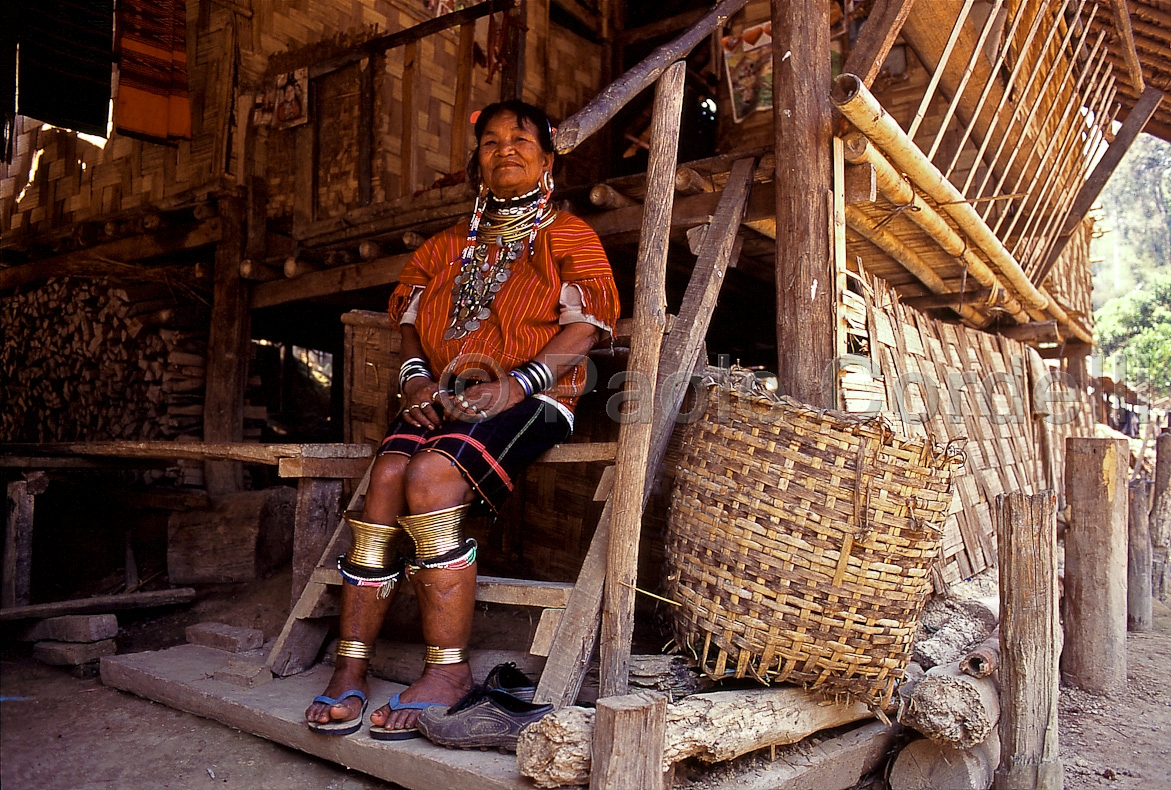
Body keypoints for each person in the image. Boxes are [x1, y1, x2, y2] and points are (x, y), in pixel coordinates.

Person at [305, 100, 620, 739]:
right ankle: (351, 665)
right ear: (477, 159)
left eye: (520, 139)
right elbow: (412, 331)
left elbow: (585, 326)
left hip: (539, 396)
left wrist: (519, 383)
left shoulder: (569, 235)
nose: (505, 149)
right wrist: (415, 377)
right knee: (389, 476)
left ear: (547, 158)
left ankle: (448, 669)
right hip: (446, 391)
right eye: (491, 141)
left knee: (431, 478)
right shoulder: (445, 248)